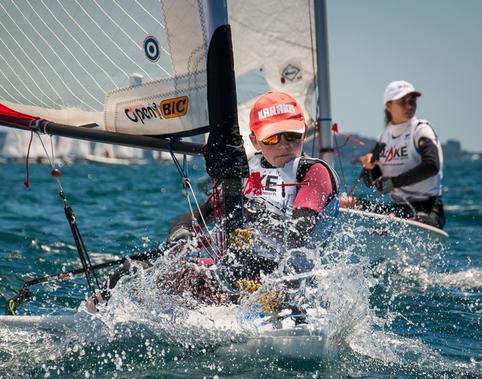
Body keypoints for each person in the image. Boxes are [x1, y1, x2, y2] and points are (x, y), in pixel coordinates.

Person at [86, 91, 339, 312]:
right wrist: (181, 237)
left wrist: (253, 213)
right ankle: (97, 315)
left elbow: (299, 235)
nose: (284, 145)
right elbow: (194, 217)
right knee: (133, 271)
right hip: (234, 276)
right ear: (255, 141)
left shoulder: (312, 172)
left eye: (291, 136)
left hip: (285, 285)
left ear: (303, 134)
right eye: (273, 138)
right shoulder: (242, 171)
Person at [343, 80, 445, 229]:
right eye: (403, 102)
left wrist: (394, 182)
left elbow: (432, 165)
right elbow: (372, 183)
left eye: (412, 102)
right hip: (398, 209)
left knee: (400, 221)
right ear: (389, 105)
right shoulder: (384, 136)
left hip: (428, 209)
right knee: (344, 202)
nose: (409, 106)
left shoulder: (421, 130)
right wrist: (369, 167)